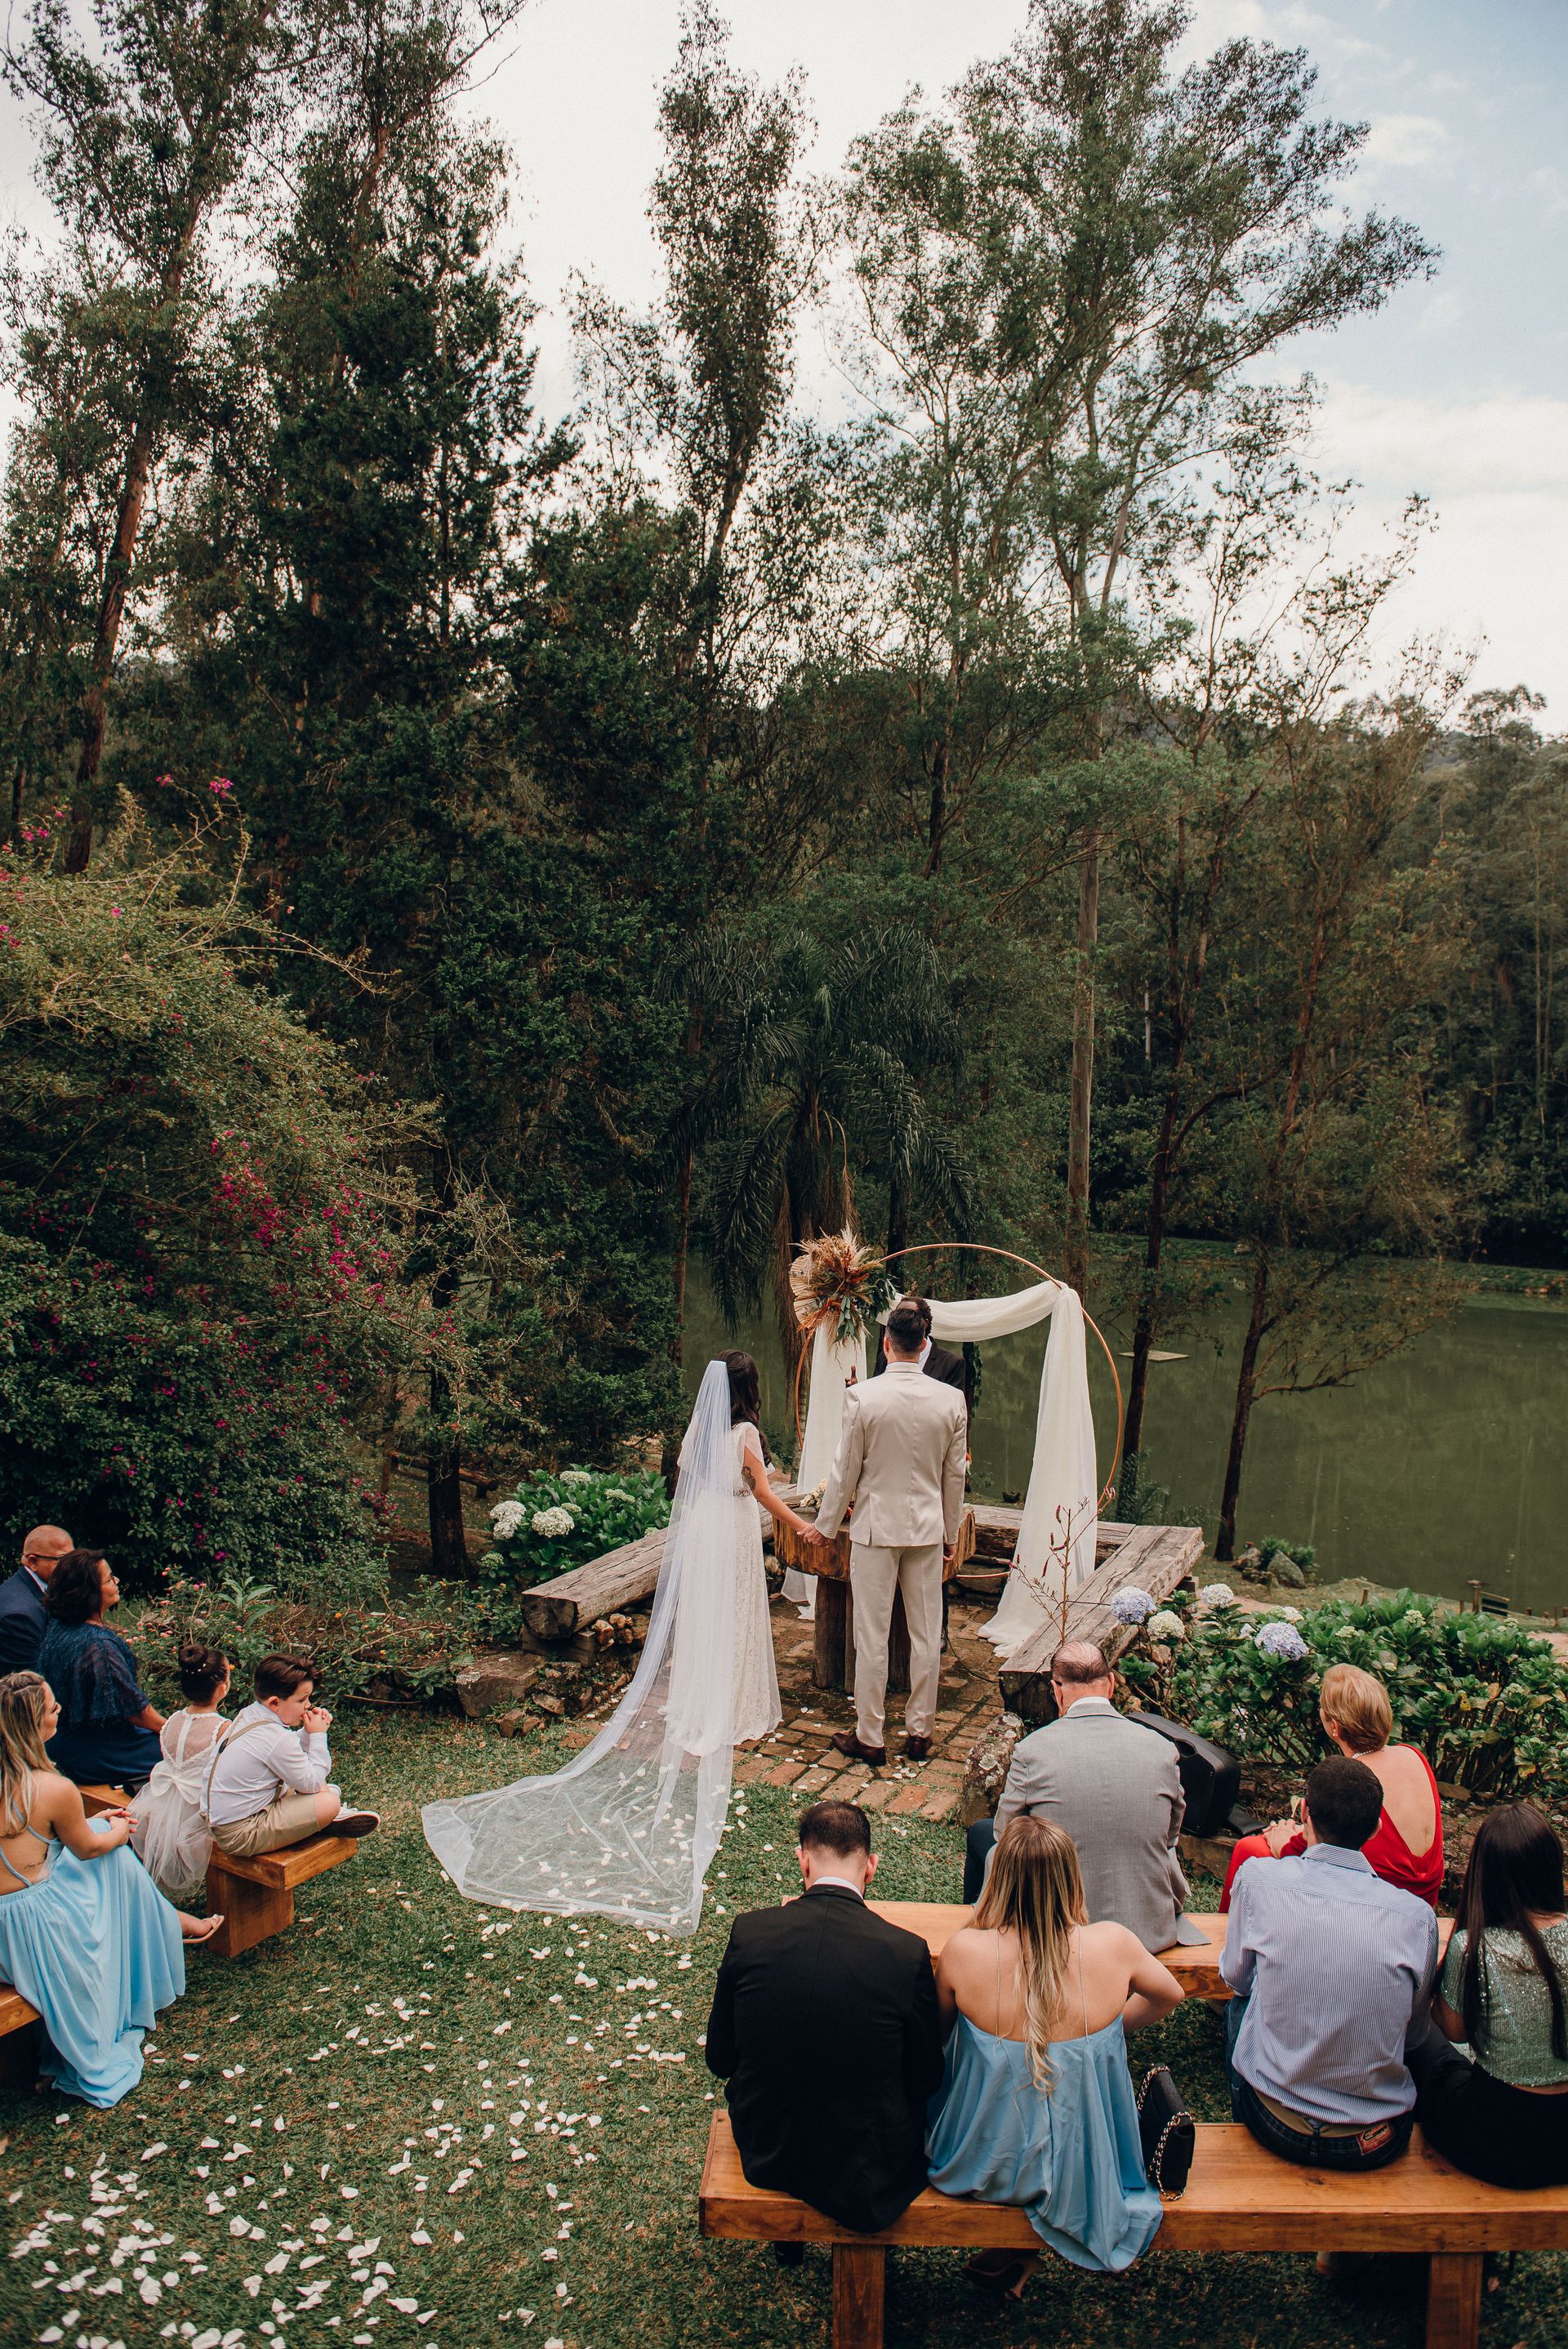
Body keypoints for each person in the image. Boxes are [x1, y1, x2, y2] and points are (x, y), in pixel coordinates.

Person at [927, 1816, 1181, 2289]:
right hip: (1084, 2165)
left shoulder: (964, 1951)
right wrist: (1105, 2032)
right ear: (1071, 1877)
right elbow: (1170, 1995)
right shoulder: (1114, 1944)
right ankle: (1019, 2253)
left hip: (983, 2161)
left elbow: (937, 2040)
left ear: (997, 1878)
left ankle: (1015, 2252)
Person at [706, 1799, 943, 2245]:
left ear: (804, 1860)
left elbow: (720, 2059)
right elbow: (926, 2076)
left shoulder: (750, 1932)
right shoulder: (905, 1952)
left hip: (769, 2147)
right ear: (871, 1867)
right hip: (867, 2167)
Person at [0, 1671, 221, 2106]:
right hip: (31, 1927)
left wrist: (96, 1826)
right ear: (32, 1725)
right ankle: (166, 1924)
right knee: (115, 1855)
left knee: (107, 1848)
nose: (59, 1709)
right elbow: (85, 1850)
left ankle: (169, 1921)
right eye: (51, 1707)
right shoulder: (51, 1788)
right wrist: (118, 1831)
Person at [1221, 1754, 1437, 2170]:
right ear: (1375, 1828)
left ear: (1304, 1814)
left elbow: (1236, 1978)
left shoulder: (1259, 1878)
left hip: (1271, 2121)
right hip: (1373, 2140)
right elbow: (1412, 2032)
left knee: (1239, 2003)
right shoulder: (1415, 1917)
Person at [805, 1297, 968, 1766]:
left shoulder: (863, 1397)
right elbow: (953, 1474)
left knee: (871, 1635)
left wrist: (826, 1525)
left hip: (875, 1530)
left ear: (887, 1343)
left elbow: (844, 1471)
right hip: (927, 1531)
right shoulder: (950, 1399)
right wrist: (951, 1533)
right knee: (924, 1634)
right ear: (922, 1347)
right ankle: (920, 1733)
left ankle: (871, 1736)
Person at [965, 1641, 1206, 1949]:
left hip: (1059, 1926)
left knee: (983, 1835)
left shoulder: (1033, 1751)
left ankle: (981, 1943)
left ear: (1057, 1690)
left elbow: (1005, 1833)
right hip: (1147, 1928)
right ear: (1110, 1685)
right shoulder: (1161, 1748)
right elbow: (1170, 1836)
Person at [1405, 1803, 1568, 2189]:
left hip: (1496, 2143)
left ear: (1486, 1872)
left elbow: (1455, 2032)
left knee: (1423, 2040)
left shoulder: (1472, 1947)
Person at [1220, 1663, 1442, 1910]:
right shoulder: (1413, 1755)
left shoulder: (1353, 1780)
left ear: (1334, 1727)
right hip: (1424, 1895)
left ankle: (1228, 1936)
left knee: (1250, 1848)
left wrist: (1284, 1841)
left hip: (1377, 1895)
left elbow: (1309, 1851)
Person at [681, 1352, 812, 1743]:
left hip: (705, 1520)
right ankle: (734, 1705)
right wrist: (804, 1526)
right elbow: (763, 1494)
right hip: (734, 1524)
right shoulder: (745, 1433)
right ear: (748, 1387)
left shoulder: (702, 1425)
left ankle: (702, 1699)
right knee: (736, 1608)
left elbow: (688, 1471)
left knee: (709, 1610)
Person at [203, 1654, 378, 1857]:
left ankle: (315, 1816)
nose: (308, 1705)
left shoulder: (250, 1714)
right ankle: (324, 1820)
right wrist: (318, 1735)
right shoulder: (275, 1737)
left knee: (322, 1790)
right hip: (240, 1833)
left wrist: (307, 1732)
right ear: (275, 1703)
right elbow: (312, 1782)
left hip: (222, 1819)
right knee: (329, 1801)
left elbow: (287, 1752)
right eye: (302, 1700)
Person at [38, 1548, 163, 1788]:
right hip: (96, 1752)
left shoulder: (60, 1627)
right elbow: (136, 1710)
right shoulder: (99, 1646)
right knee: (185, 1754)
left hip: (59, 1740)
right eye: (109, 1579)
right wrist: (174, 1731)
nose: (116, 1582)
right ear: (88, 1592)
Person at [129, 1642, 232, 1902]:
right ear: (222, 1687)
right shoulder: (222, 1729)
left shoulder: (172, 1721)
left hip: (162, 1799)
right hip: (197, 1808)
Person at [871, 1294, 973, 1415]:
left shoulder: (951, 1363)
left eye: (907, 1315)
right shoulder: (885, 1357)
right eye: (897, 1315)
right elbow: (876, 1399)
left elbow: (954, 1412)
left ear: (924, 1324)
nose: (899, 1320)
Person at [0, 1525, 74, 1674]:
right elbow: (31, 1687)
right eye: (63, 1560)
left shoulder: (38, 1588)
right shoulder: (19, 1616)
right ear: (34, 1562)